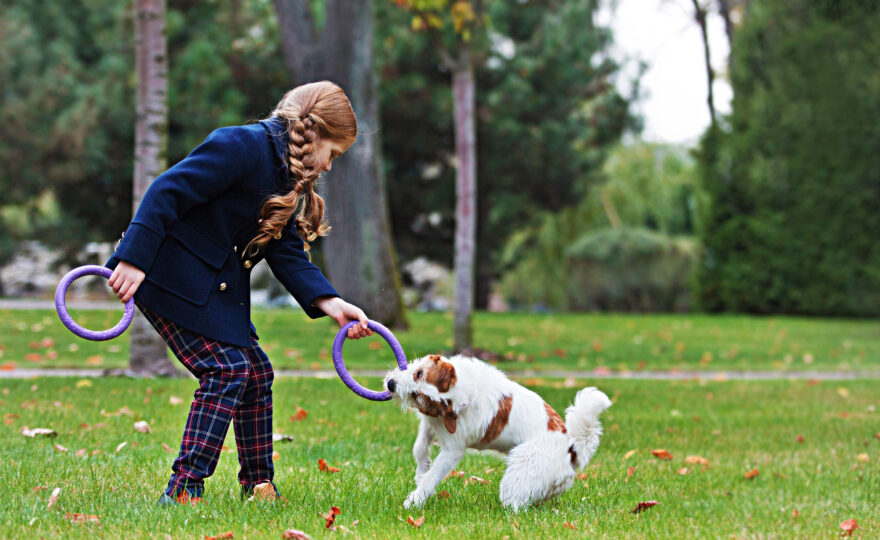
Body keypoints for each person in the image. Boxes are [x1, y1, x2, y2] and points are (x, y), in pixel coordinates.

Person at [106, 81, 372, 506]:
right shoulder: (241, 146)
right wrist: (133, 258)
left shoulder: (288, 175)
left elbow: (285, 251)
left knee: (257, 372)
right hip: (168, 277)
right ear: (316, 131)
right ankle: (184, 488)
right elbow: (166, 191)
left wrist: (331, 302)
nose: (330, 166)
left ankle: (258, 484)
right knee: (227, 369)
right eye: (333, 154)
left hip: (214, 291)